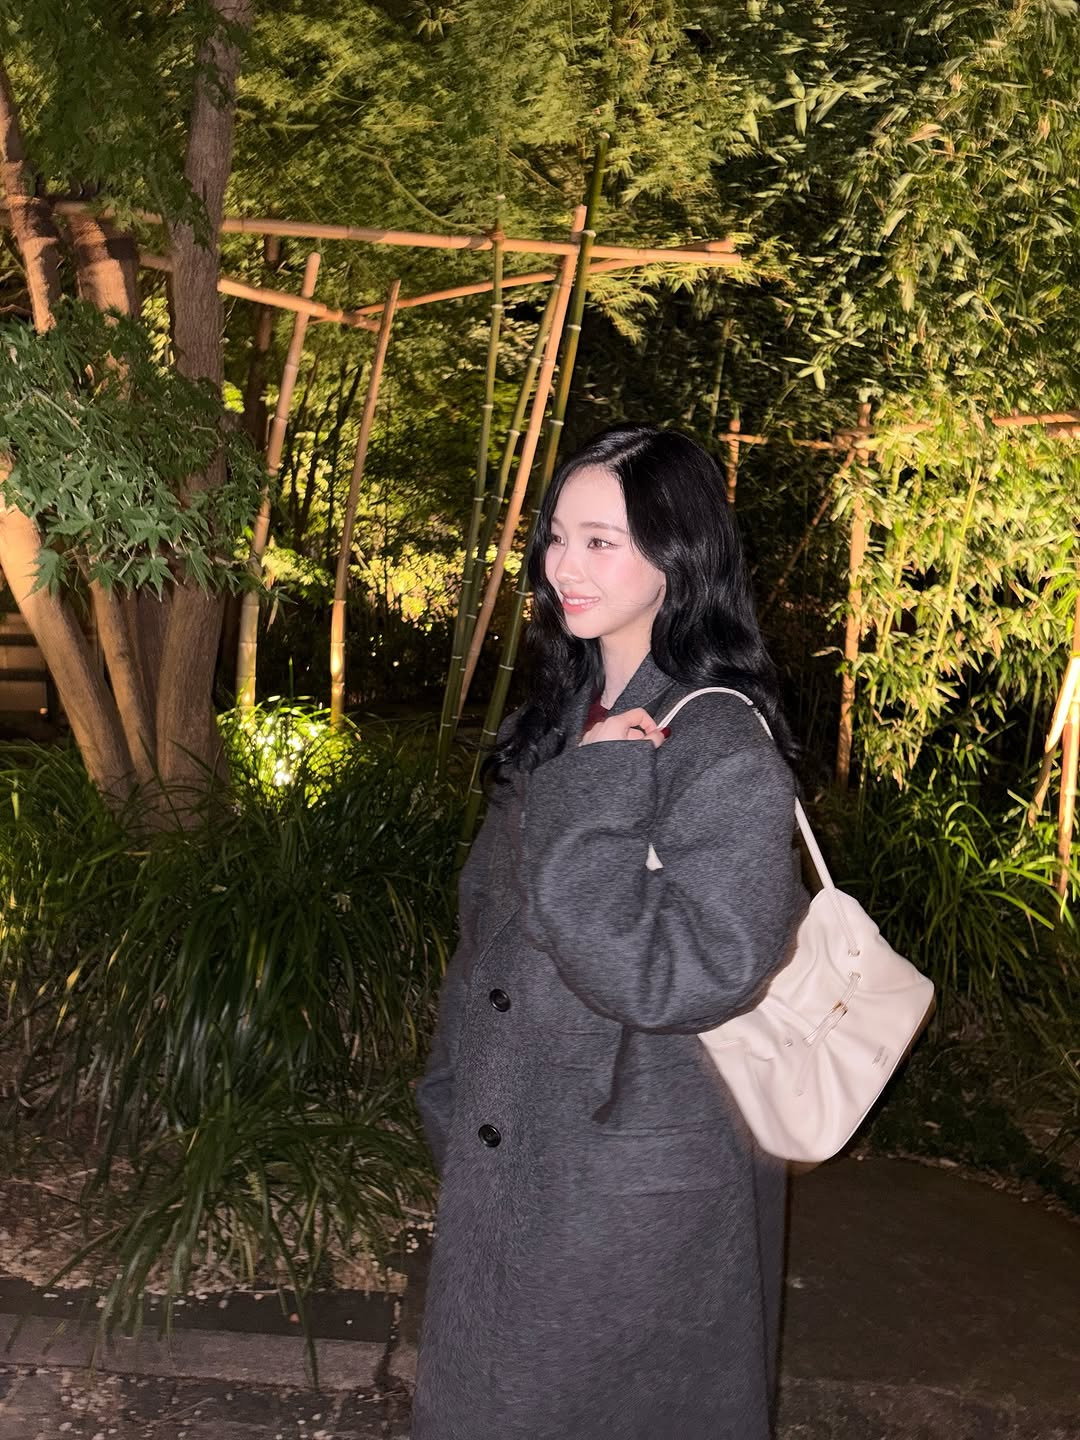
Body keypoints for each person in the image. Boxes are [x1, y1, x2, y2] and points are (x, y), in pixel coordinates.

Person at [412, 423, 807, 1440]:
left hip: (632, 1186)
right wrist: (453, 1087)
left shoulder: (718, 744)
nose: (564, 567)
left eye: (601, 542)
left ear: (678, 557)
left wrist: (595, 797)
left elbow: (683, 977)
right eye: (556, 537)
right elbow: (490, 928)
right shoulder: (568, 713)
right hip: (519, 1146)